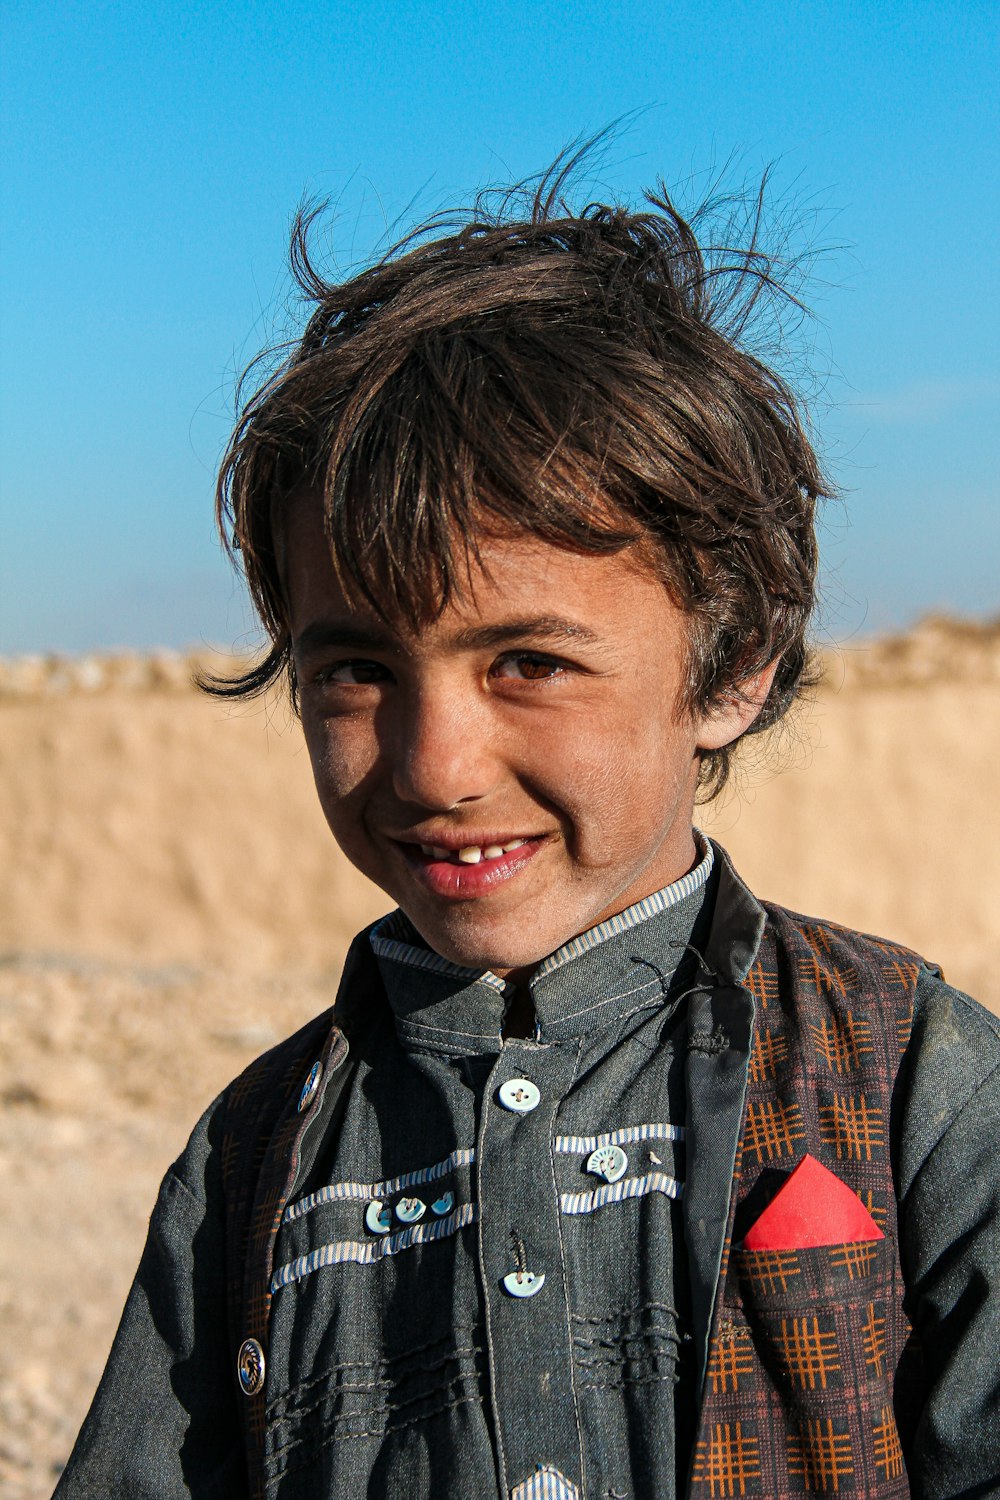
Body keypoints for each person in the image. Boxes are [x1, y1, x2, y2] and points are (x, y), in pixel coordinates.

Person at [55, 159, 999, 1500]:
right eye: (357, 671)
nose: (436, 766)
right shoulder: (252, 1164)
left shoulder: (910, 1083)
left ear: (730, 667)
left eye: (531, 665)